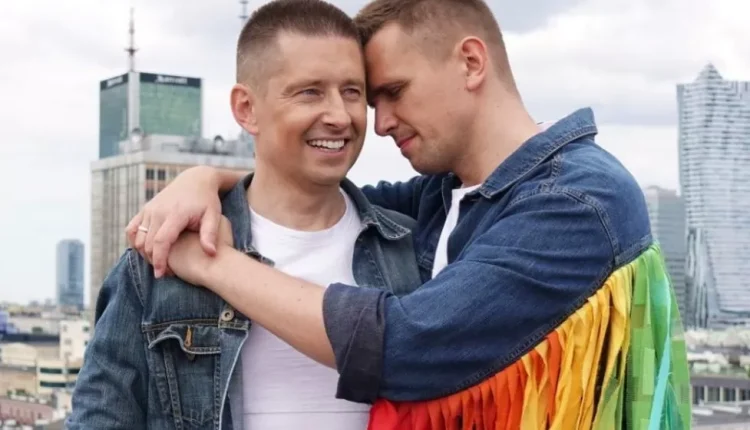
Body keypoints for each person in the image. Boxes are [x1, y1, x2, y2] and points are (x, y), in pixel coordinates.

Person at [128, 0, 692, 428]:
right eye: (374, 101)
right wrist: (202, 178)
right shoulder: (448, 195)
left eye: (393, 92)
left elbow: (402, 345)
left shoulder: (576, 201)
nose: (380, 123)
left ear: (471, 62)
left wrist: (211, 263)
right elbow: (311, 193)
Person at [67, 1, 423, 429]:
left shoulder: (413, 250)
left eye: (352, 91)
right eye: (310, 91)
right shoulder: (159, 259)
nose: (339, 116)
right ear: (246, 109)